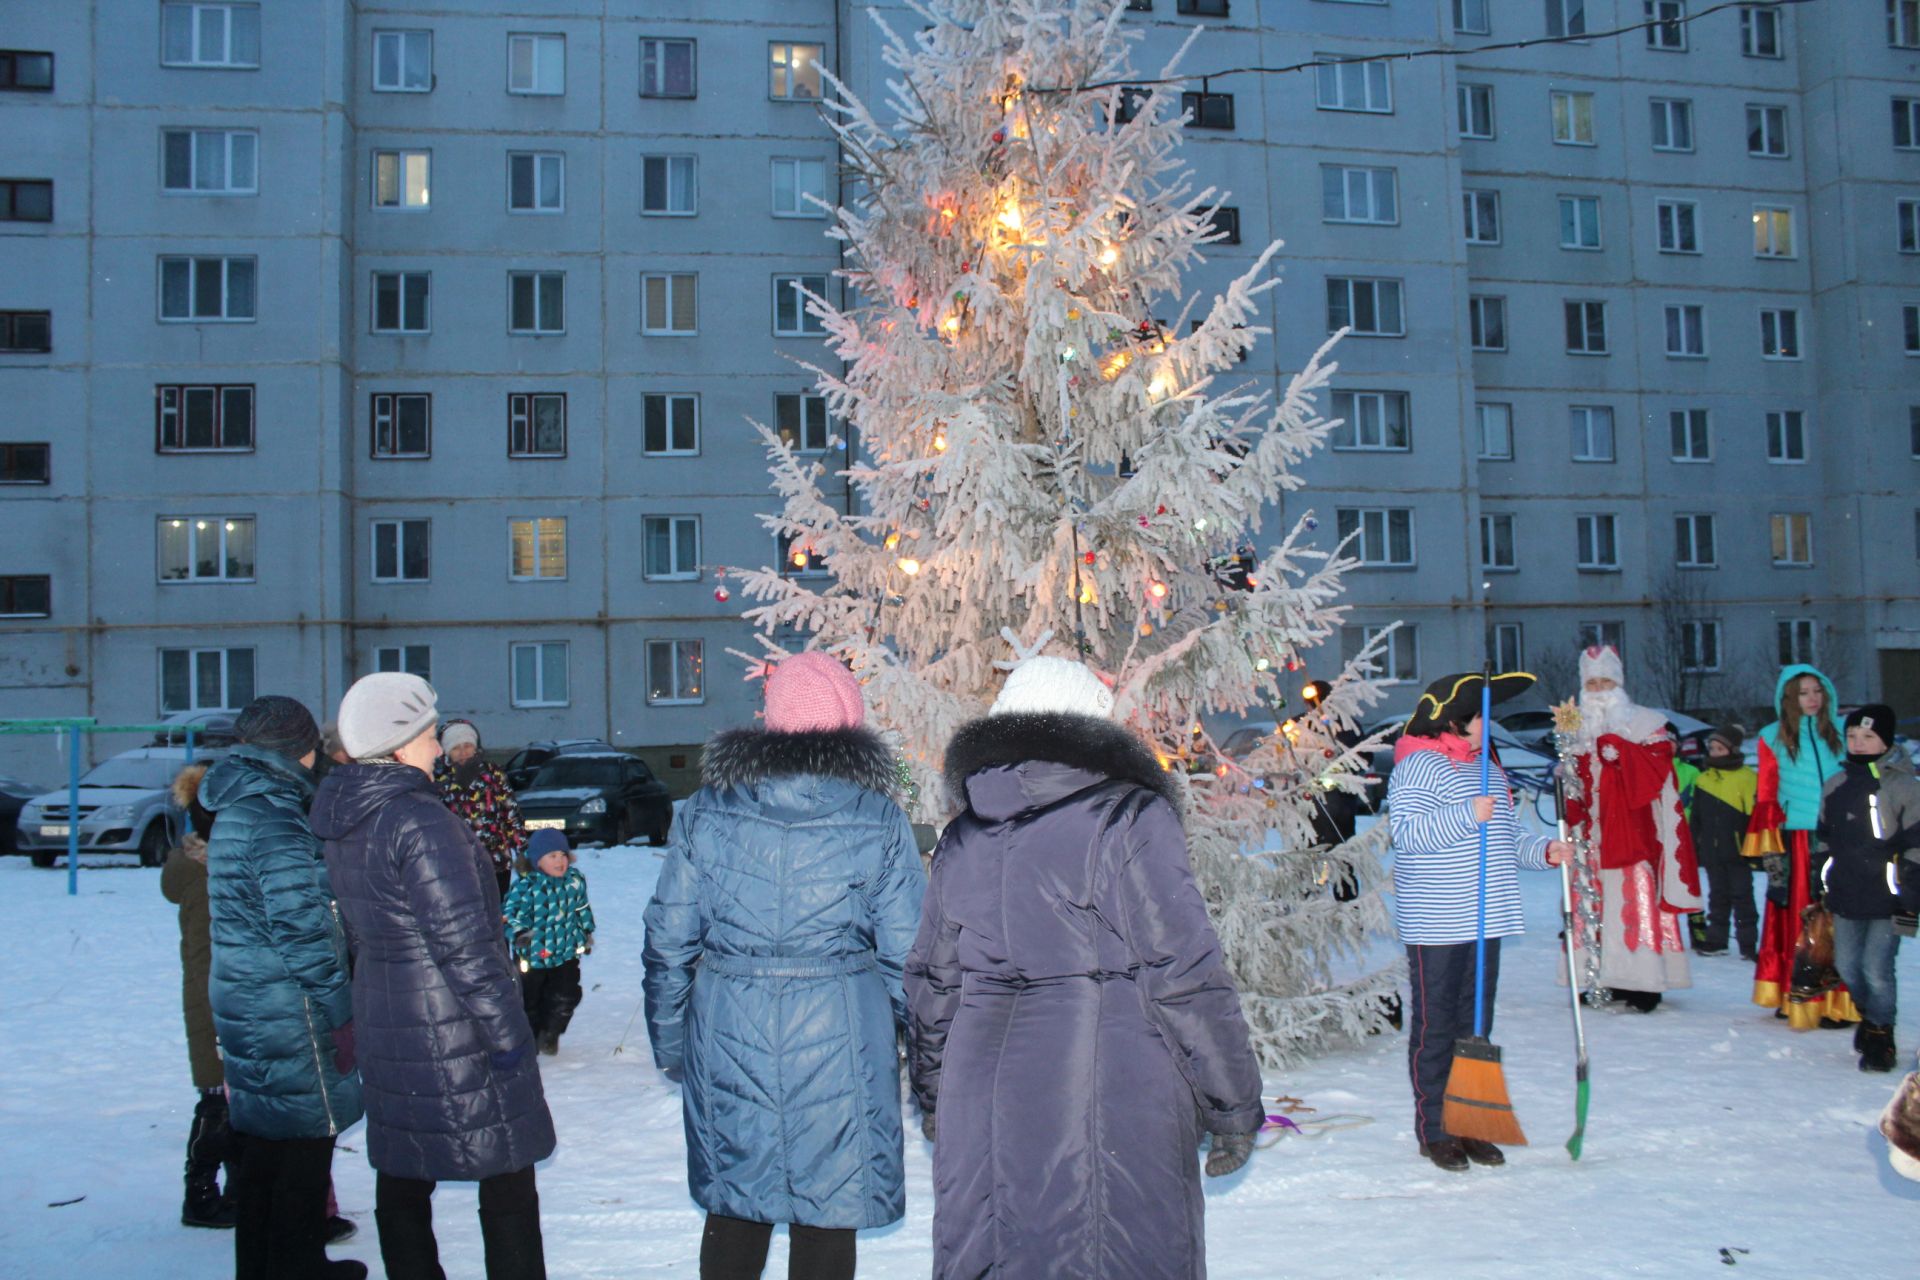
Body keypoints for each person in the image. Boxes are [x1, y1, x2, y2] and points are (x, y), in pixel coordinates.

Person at [907, 654, 1263, 1277]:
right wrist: (1231, 1100)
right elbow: (1183, 970)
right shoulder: (1128, 819)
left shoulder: (963, 834)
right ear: (1093, 730)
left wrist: (936, 1092)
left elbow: (935, 980)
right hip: (1109, 1088)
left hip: (982, 1090)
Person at [644, 651, 925, 1280]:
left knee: (736, 1206)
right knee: (827, 1210)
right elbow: (911, 959)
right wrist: (928, 1061)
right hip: (841, 1039)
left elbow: (669, 940)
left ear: (771, 722)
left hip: (729, 1032)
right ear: (848, 726)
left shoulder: (706, 811)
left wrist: (673, 1045)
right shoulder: (876, 817)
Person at [313, 674, 555, 1280]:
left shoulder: (350, 814)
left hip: (386, 1014)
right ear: (398, 746)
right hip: (453, 1026)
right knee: (507, 1175)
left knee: (404, 1171)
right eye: (426, 732)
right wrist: (508, 1033)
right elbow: (464, 945)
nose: (436, 742)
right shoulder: (420, 821)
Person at [203, 696, 366, 1280]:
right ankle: (298, 1268)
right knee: (301, 1147)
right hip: (289, 1011)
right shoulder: (276, 815)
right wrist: (342, 1012)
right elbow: (304, 929)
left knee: (266, 1148)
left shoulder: (241, 805)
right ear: (301, 748)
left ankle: (269, 1265)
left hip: (250, 1000)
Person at [1388, 670, 1573, 1172]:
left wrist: (1545, 851)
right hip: (1438, 919)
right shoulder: (1418, 766)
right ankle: (1435, 1129)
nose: (1487, 725)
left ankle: (1470, 1121)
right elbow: (1408, 835)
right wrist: (1467, 814)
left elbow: (1508, 837)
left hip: (1483, 918)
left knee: (1475, 1026)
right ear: (1454, 718)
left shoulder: (1486, 766)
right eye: (1479, 717)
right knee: (1436, 1025)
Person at [1559, 646, 1702, 1012]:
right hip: (1589, 839)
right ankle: (1594, 977)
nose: (1599, 689)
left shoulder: (1645, 722)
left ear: (1619, 683)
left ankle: (1642, 983)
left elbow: (1657, 771)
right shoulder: (1574, 724)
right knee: (1590, 906)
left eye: (1606, 681)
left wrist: (1621, 751)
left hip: (1633, 835)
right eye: (1592, 682)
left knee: (1634, 906)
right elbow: (1569, 773)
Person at [1744, 665, 1861, 1030]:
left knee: (1838, 920)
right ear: (1789, 699)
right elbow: (1766, 794)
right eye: (1803, 693)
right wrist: (1770, 848)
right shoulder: (1771, 737)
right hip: (1796, 838)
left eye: (1817, 691)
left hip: (1840, 836)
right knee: (1798, 919)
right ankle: (1797, 994)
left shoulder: (1844, 732)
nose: (1812, 699)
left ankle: (1837, 1001)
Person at [1815, 705, 1920, 1072]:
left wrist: (1909, 895)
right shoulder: (1836, 784)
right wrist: (1824, 877)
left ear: (1887, 741)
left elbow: (1916, 844)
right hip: (1846, 892)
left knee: (1877, 967)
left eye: (1869, 737)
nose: (1859, 744)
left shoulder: (1905, 786)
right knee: (1847, 966)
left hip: (1891, 897)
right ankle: (1870, 1015)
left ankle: (1880, 1033)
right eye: (1853, 737)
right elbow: (1824, 837)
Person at [161, 762, 240, 1230]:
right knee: (217, 1100)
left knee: (231, 1099)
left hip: (216, 995)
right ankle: (201, 1193)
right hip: (215, 999)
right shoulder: (207, 872)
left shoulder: (196, 867)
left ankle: (230, 1189)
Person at [502, 829, 596, 1057]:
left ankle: (551, 1031)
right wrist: (519, 933)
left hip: (566, 953)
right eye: (552, 856)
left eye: (563, 855)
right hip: (533, 957)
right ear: (537, 860)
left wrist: (586, 932)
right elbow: (509, 916)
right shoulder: (525, 888)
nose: (560, 861)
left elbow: (582, 909)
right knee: (530, 1001)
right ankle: (532, 1039)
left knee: (568, 995)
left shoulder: (574, 882)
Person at [435, 719, 528, 900]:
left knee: (495, 913)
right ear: (446, 751)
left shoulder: (493, 774)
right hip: (457, 863)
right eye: (456, 748)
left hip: (496, 860)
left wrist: (522, 849)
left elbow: (510, 813)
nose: (463, 752)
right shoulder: (439, 782)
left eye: (467, 745)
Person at [1688, 727, 1760, 959]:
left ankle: (1748, 944)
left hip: (1739, 851)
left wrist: (1753, 849)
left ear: (1733, 749)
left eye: (1720, 748)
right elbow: (1696, 817)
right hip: (1712, 851)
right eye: (1712, 748)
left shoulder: (1747, 777)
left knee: (1743, 897)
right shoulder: (1703, 779)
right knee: (1717, 896)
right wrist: (1695, 844)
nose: (1715, 753)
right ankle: (1716, 940)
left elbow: (1753, 817)